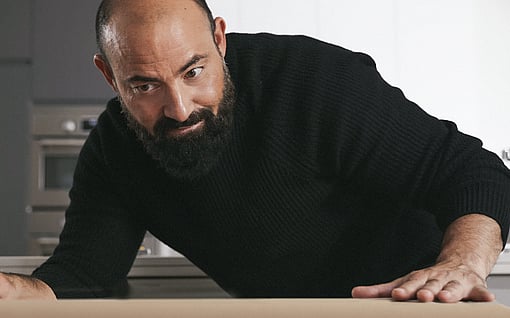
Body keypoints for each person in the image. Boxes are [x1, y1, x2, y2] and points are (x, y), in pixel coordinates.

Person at [1, 0, 509, 302]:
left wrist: (460, 266)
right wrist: (13, 290)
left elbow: (471, 172)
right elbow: (83, 275)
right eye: (143, 86)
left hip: (413, 303)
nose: (179, 108)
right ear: (109, 75)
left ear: (219, 39)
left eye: (193, 71)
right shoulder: (115, 150)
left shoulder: (315, 81)